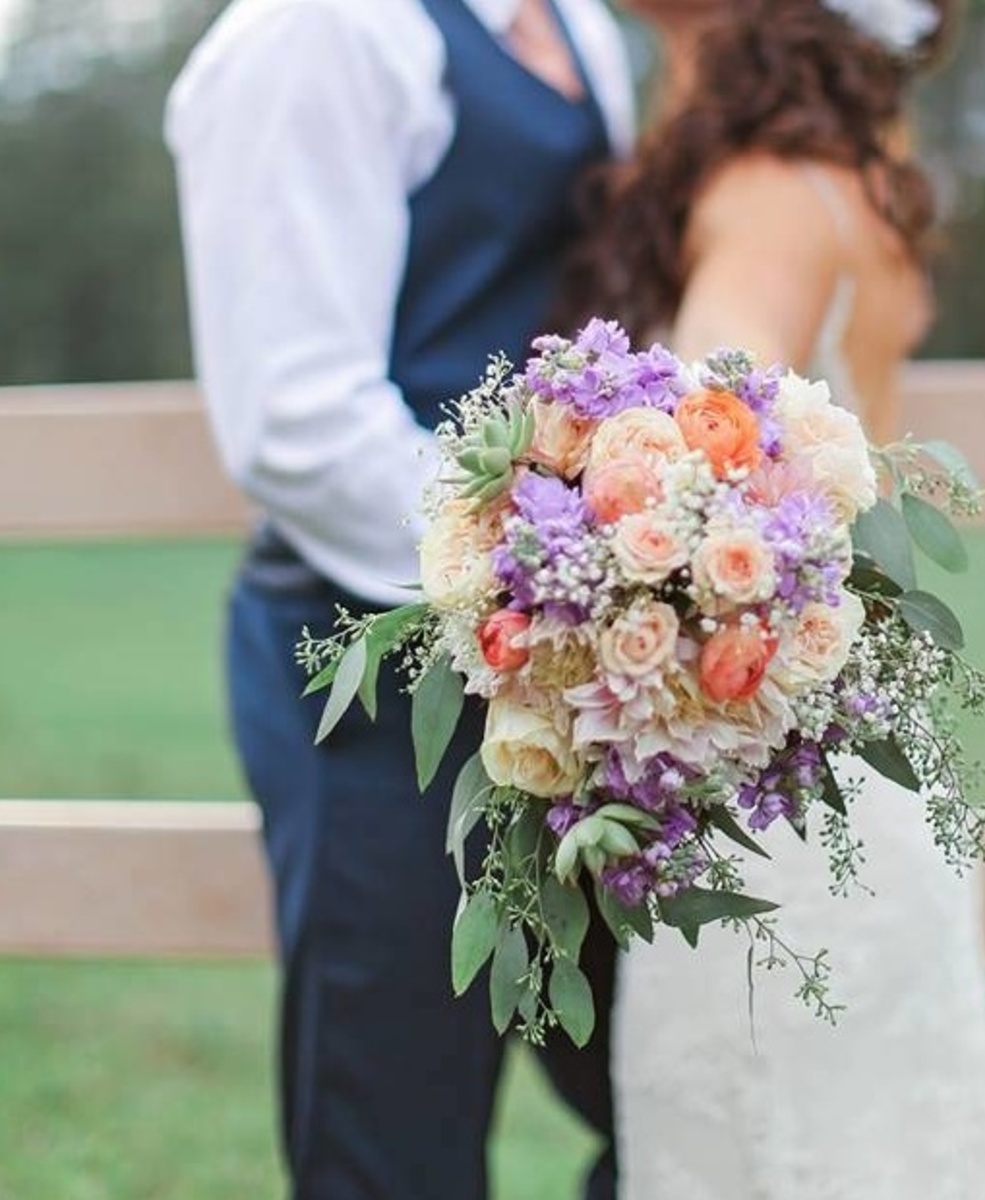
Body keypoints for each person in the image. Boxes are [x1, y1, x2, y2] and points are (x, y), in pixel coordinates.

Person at [562, 0, 985, 1195]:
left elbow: (714, 438)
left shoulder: (766, 192)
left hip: (774, 773)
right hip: (860, 743)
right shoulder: (852, 175)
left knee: (782, 1149)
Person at [165, 1, 634, 1196]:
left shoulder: (581, 20)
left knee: (669, 1097)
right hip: (378, 680)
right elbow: (295, 417)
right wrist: (553, 580)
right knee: (395, 1130)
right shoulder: (311, 34)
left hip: (594, 672)